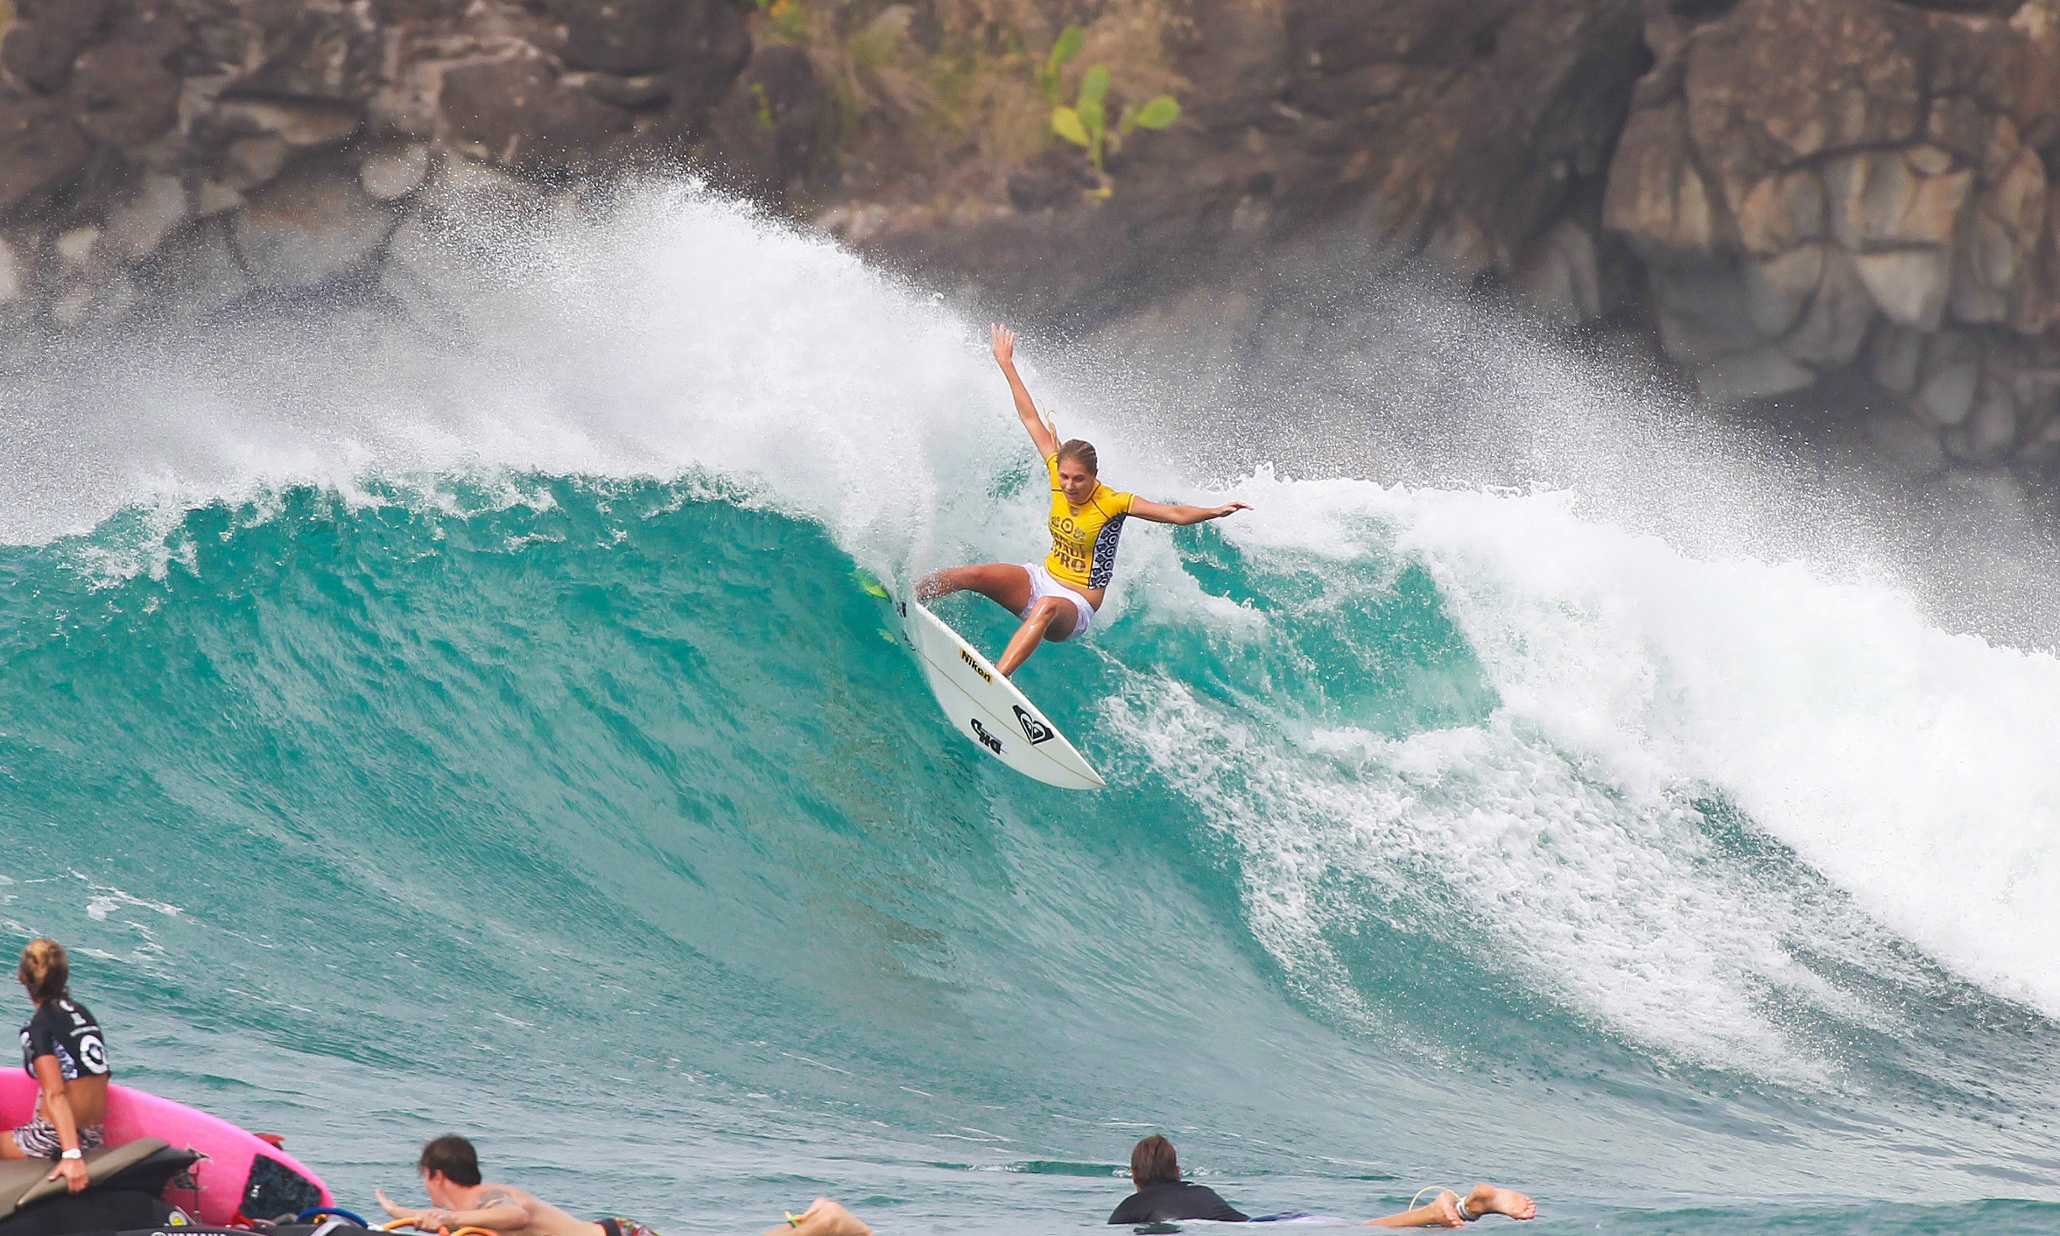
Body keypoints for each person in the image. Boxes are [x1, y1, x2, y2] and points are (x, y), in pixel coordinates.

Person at [917, 325, 1250, 676]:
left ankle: (995, 680)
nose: (1070, 486)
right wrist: (1006, 363)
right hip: (1040, 578)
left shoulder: (1114, 502)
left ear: (1093, 476)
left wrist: (1214, 511)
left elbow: (1173, 513)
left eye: (1079, 479)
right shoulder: (1056, 474)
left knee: (1045, 607)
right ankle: (902, 598)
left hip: (1074, 605)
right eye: (1065, 477)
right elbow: (1030, 417)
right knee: (974, 573)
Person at [378, 1136, 873, 1236]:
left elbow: (516, 1218)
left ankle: (825, 1220)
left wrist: (451, 1217)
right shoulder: (477, 1210)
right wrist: (421, 1219)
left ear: (436, 1176)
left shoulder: (489, 1199)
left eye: (424, 1185)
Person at [1109, 1135, 1536, 1228]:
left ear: (1134, 1178)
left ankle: (1445, 1209)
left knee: (1368, 1232)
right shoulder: (1200, 1193)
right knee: (1366, 1229)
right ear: (1179, 1172)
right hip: (1281, 1221)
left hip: (1271, 1231)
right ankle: (1464, 1208)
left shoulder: (1128, 1212)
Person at [0, 939, 110, 1193]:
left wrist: (71, 1156)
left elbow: (55, 1093)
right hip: (94, 1134)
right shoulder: (83, 1014)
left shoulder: (38, 1026)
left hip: (54, 1139)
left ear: (21, 978)